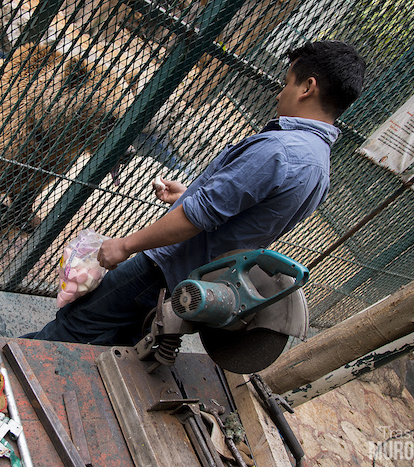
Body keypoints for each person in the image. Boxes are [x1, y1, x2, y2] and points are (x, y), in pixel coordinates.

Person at [25, 40, 366, 345]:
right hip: (194, 281)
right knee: (120, 340)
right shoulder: (320, 168)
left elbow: (199, 215)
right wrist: (186, 195)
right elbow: (249, 219)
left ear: (308, 86)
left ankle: (1, 379)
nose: (279, 93)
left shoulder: (280, 150)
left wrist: (125, 245)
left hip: (162, 266)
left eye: (287, 82)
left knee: (73, 326)